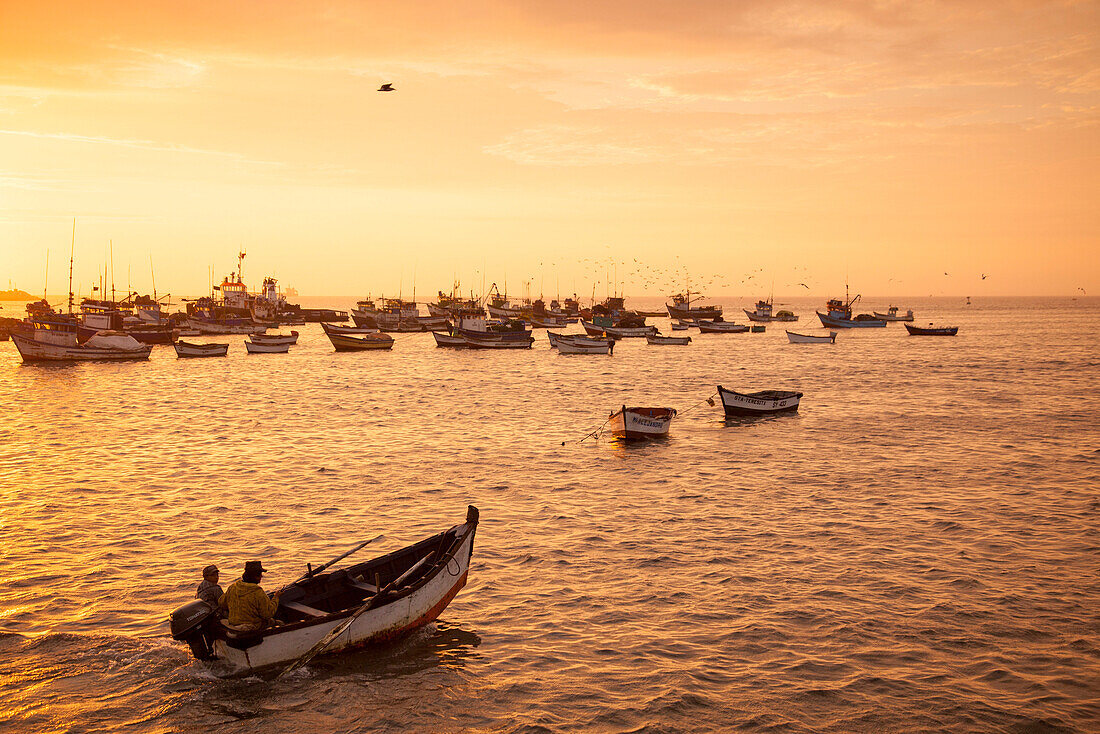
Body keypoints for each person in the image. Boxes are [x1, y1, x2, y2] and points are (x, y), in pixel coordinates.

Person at [218, 561, 281, 631]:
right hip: (252, 627)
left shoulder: (233, 587)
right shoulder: (258, 592)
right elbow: (267, 614)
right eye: (260, 574)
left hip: (233, 625)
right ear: (255, 576)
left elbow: (221, 603)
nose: (261, 576)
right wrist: (276, 597)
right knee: (279, 623)